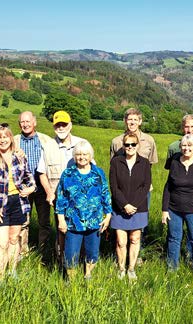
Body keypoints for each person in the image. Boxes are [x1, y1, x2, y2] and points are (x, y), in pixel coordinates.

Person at [0, 124, 36, 279]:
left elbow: (29, 177)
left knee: (13, 240)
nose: (2, 140)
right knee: (2, 243)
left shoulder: (18, 156)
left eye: (5, 136)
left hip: (18, 202)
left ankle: (13, 271)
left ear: (11, 138)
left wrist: (31, 188)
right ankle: (1, 278)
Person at [36, 110, 88, 267]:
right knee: (62, 230)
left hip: (81, 199)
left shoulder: (81, 144)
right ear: (53, 127)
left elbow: (92, 171)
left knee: (82, 228)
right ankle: (63, 262)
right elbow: (42, 173)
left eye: (64, 124)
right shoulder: (48, 146)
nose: (61, 128)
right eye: (57, 125)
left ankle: (81, 261)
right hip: (59, 199)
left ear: (70, 125)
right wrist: (49, 192)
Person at [56, 140, 112, 279]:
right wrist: (61, 220)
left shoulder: (98, 173)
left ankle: (88, 274)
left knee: (92, 252)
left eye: (85, 154)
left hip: (95, 221)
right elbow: (61, 198)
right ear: (74, 156)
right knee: (70, 253)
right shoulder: (67, 174)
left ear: (90, 155)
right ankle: (71, 280)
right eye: (78, 154)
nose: (82, 157)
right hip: (73, 222)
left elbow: (105, 194)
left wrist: (108, 216)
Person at [110, 107, 158, 264]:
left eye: (135, 120)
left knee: (139, 226)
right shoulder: (116, 141)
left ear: (140, 121)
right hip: (122, 191)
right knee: (120, 227)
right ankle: (118, 257)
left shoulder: (149, 140)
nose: (132, 122)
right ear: (125, 121)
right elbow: (114, 166)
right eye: (129, 120)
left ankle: (137, 256)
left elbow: (150, 163)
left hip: (142, 190)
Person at [162, 134, 193, 278]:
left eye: (190, 145)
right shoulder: (175, 161)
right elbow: (168, 187)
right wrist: (164, 210)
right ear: (180, 147)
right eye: (184, 145)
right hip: (174, 209)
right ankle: (172, 269)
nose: (186, 148)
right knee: (173, 238)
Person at [14, 111, 56, 261]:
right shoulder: (14, 141)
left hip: (42, 187)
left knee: (44, 222)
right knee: (22, 221)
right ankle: (22, 251)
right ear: (19, 124)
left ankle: (43, 250)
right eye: (22, 122)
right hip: (22, 189)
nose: (25, 124)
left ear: (34, 122)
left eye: (28, 121)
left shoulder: (46, 140)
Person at [109, 133, 152, 280]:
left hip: (138, 208)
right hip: (119, 207)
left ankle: (131, 268)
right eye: (127, 144)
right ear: (123, 146)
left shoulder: (145, 163)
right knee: (121, 241)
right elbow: (114, 187)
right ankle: (121, 268)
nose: (130, 147)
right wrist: (124, 205)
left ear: (138, 145)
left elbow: (146, 186)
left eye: (133, 144)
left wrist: (133, 204)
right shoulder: (116, 162)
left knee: (135, 238)